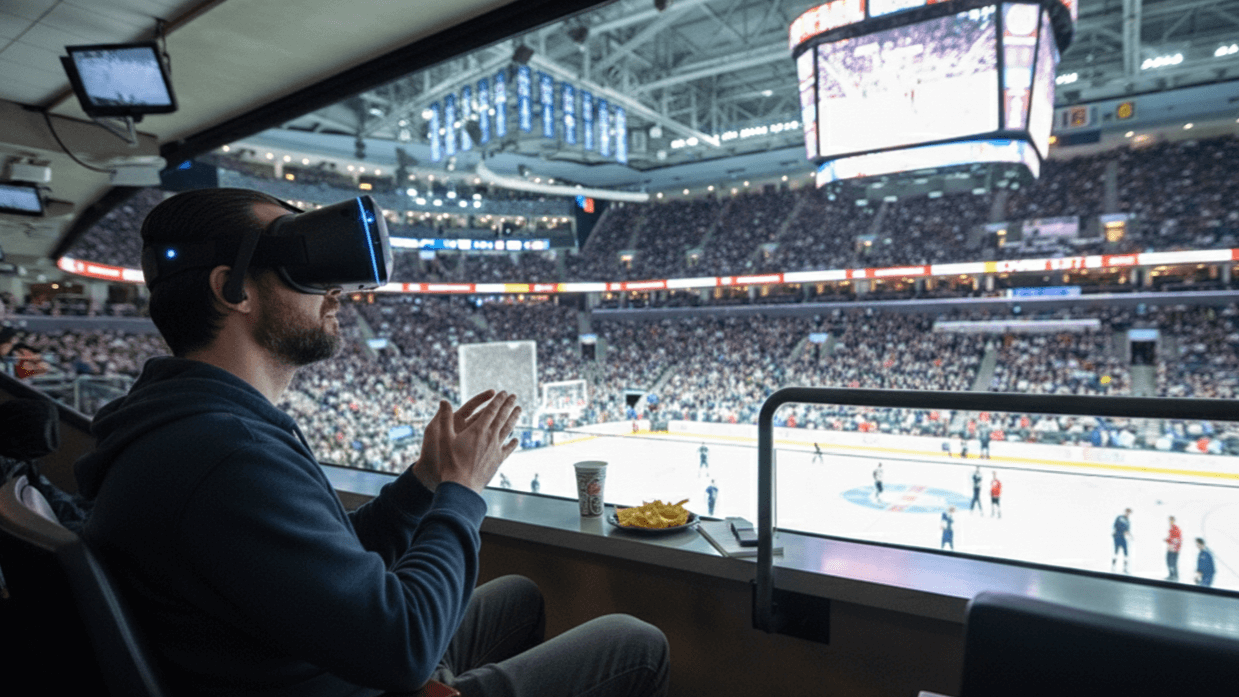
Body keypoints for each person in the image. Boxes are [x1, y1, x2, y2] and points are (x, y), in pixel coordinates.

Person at [74, 189, 669, 697]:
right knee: (635, 643)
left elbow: (324, 563)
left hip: (312, 662)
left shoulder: (194, 423)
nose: (337, 292)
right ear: (233, 289)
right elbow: (404, 647)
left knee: (518, 595)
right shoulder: (226, 453)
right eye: (302, 269)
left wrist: (424, 484)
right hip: (357, 677)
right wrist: (462, 491)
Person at [1112, 508, 1133, 573]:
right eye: (1127, 512)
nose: (1128, 513)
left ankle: (1125, 568)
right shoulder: (1119, 517)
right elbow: (1114, 525)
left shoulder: (1128, 521)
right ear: (1125, 512)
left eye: (1129, 513)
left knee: (1126, 552)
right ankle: (1113, 566)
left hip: (1123, 538)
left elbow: (1127, 530)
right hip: (1117, 536)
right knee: (1116, 552)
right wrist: (1114, 532)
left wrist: (1130, 536)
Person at [1165, 516, 1182, 581]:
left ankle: (1175, 576)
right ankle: (1171, 575)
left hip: (1174, 550)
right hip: (1170, 548)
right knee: (1169, 562)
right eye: (1169, 521)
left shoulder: (1176, 529)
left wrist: (1169, 539)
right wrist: (1167, 540)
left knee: (1173, 563)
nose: (1169, 522)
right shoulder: (1171, 529)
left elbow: (1177, 540)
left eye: (1171, 520)